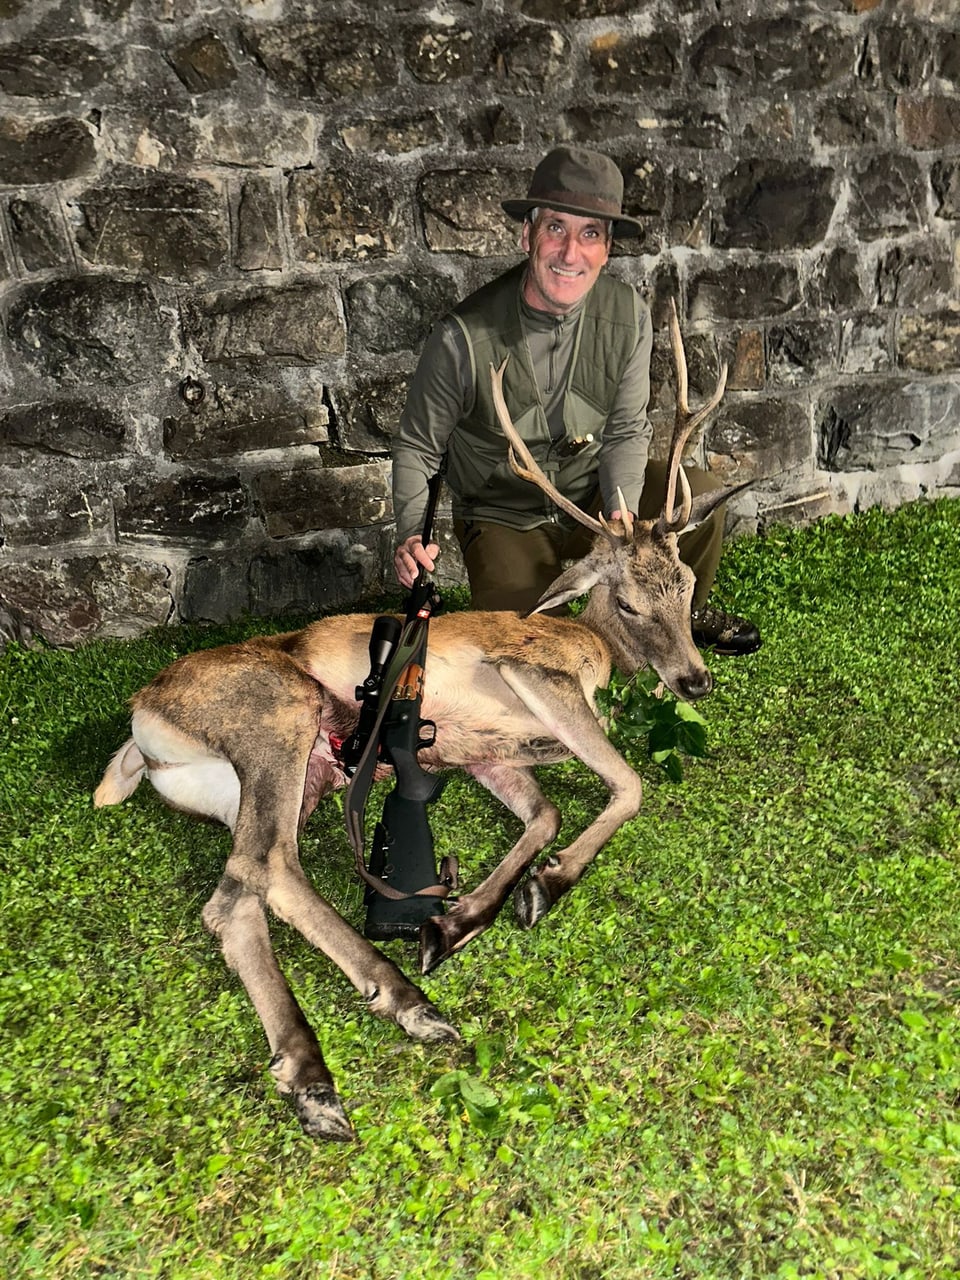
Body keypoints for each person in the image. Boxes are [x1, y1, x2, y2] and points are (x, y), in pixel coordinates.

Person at [391, 146, 760, 657]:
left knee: (696, 496)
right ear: (527, 235)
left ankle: (675, 612)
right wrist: (410, 533)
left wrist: (621, 513)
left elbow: (628, 430)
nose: (570, 253)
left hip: (592, 495)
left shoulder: (627, 317)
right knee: (532, 646)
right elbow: (417, 446)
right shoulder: (462, 338)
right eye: (556, 229)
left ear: (607, 249)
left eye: (590, 234)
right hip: (504, 513)